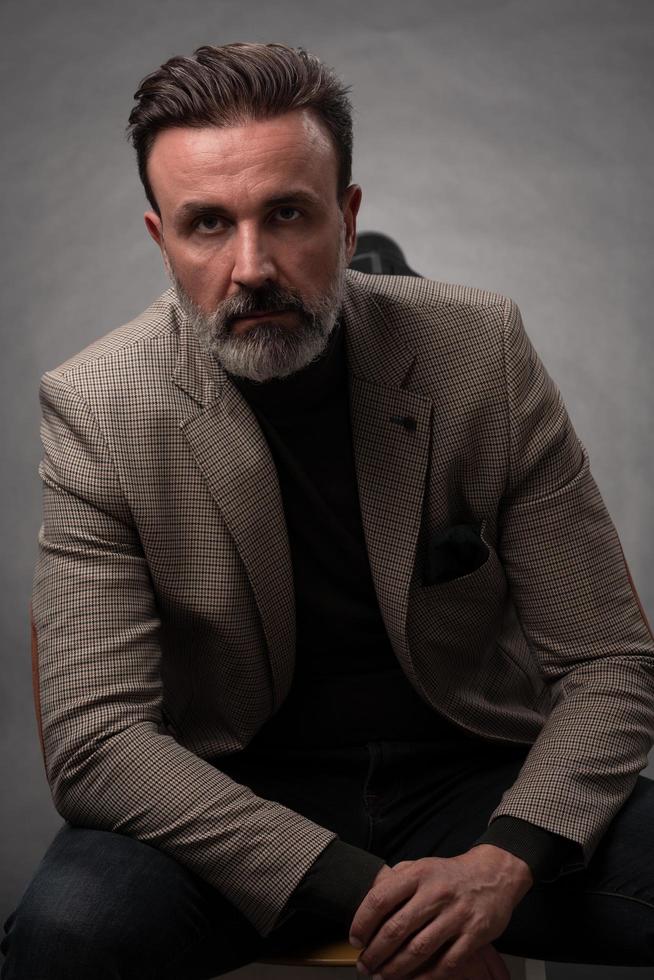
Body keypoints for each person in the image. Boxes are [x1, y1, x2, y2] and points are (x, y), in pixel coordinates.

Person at [3, 41, 654, 980]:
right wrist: (368, 891)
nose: (252, 265)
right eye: (207, 225)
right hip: (230, 803)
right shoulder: (99, 407)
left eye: (287, 214)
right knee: (68, 935)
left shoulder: (482, 353)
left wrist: (502, 863)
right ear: (160, 240)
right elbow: (97, 741)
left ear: (347, 219)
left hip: (471, 779)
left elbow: (608, 662)